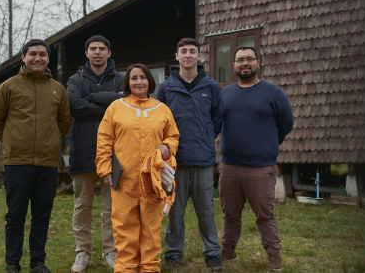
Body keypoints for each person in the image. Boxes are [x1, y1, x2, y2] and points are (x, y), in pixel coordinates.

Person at [0, 39, 72, 273]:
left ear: (48, 59)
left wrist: (52, 140)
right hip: (17, 163)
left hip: (47, 163)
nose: (38, 58)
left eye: (42, 54)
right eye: (32, 54)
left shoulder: (58, 89)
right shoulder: (9, 86)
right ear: (23, 57)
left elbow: (65, 121)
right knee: (15, 216)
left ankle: (38, 264)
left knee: (41, 216)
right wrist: (12, 141)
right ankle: (12, 265)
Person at [96, 63, 180, 273]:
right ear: (128, 83)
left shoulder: (162, 109)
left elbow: (173, 136)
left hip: (153, 181)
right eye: (134, 78)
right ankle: (125, 267)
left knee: (151, 228)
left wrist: (167, 147)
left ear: (150, 81)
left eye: (142, 77)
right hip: (123, 180)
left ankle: (149, 268)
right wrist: (105, 169)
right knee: (124, 228)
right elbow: (104, 140)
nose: (138, 82)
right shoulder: (116, 107)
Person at [217, 47, 294, 271]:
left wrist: (269, 143)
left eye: (249, 59)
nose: (245, 63)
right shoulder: (225, 94)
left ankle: (273, 256)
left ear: (258, 62)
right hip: (229, 166)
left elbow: (286, 123)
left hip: (260, 168)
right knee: (230, 214)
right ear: (234, 66)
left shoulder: (273, 92)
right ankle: (228, 251)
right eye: (240, 60)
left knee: (265, 215)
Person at [156, 38, 225, 271]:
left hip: (203, 159)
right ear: (177, 56)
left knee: (206, 209)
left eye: (192, 51)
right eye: (183, 51)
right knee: (175, 210)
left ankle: (213, 254)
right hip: (174, 161)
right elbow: (159, 122)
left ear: (199, 56)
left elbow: (217, 119)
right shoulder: (165, 87)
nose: (188, 55)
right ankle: (173, 254)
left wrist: (206, 137)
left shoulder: (210, 86)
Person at [66, 35, 126, 273]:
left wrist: (92, 98)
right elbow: (75, 107)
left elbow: (126, 105)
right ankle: (82, 253)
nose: (98, 52)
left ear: (109, 53)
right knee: (83, 205)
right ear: (87, 53)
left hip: (116, 152)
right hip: (83, 150)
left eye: (102, 48)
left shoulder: (121, 78)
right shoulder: (75, 78)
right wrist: (110, 103)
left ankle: (110, 252)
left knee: (113, 207)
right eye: (93, 48)